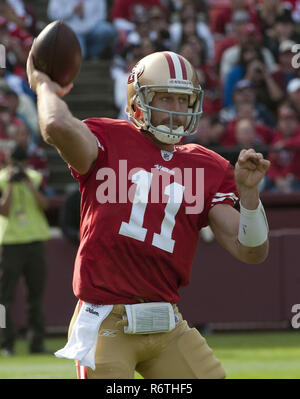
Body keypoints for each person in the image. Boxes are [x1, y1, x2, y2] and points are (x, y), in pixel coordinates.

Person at [26, 49, 270, 379]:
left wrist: (250, 195)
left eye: (184, 100)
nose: (177, 110)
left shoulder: (207, 165)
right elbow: (55, 124)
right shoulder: (108, 139)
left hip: (167, 323)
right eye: (165, 98)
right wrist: (44, 87)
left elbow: (251, 252)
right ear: (137, 101)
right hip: (105, 320)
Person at [0, 144, 50, 356]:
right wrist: (11, 185)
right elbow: (3, 210)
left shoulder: (35, 178)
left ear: (27, 162)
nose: (19, 166)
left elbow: (45, 205)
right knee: (3, 298)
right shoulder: (2, 179)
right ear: (8, 161)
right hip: (10, 242)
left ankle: (36, 343)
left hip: (35, 242)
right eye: (15, 162)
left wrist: (29, 185)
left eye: (21, 162)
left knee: (36, 296)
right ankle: (5, 344)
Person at [47, 0, 116, 60]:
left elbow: (102, 15)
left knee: (107, 30)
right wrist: (72, 10)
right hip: (71, 31)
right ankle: (85, 53)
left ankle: (91, 53)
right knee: (80, 56)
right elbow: (52, 14)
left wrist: (88, 22)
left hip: (92, 28)